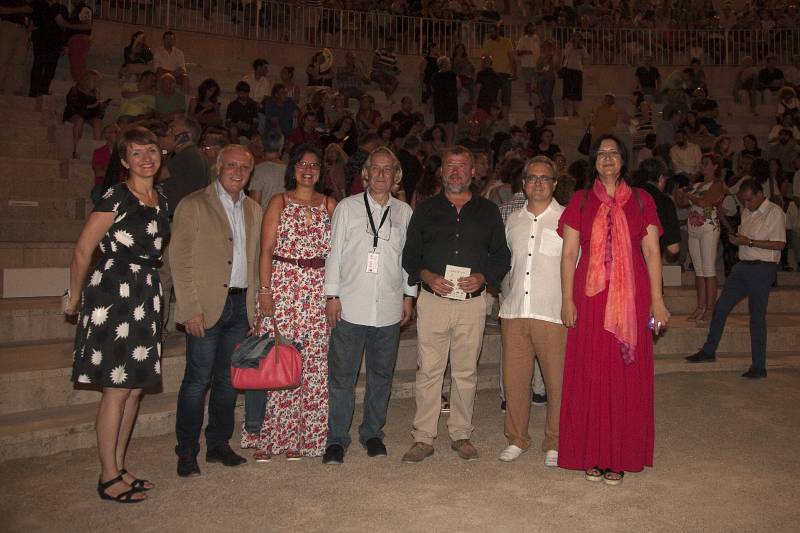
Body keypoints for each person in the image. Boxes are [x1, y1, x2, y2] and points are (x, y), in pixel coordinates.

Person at [558, 134, 670, 485]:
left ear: (624, 160)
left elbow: (652, 252)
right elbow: (568, 254)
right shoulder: (579, 201)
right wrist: (566, 299)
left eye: (614, 153)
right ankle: (592, 454)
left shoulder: (641, 200)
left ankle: (619, 454)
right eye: (601, 153)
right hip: (590, 299)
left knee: (624, 374)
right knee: (591, 372)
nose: (607, 158)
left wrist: (658, 299)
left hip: (632, 297)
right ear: (593, 161)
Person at [66, 126, 170, 502]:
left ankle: (119, 465)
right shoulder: (115, 196)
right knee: (116, 388)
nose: (147, 158)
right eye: (137, 153)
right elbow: (82, 250)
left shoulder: (161, 199)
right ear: (124, 161)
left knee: (135, 389)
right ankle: (107, 476)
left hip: (146, 292)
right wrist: (74, 297)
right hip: (114, 292)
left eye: (152, 150)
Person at [400, 146, 511, 463]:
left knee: (465, 372)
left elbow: (502, 256)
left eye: (463, 166)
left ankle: (461, 433)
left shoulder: (487, 211)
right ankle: (423, 437)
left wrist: (484, 277)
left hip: (471, 304)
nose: (456, 171)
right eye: (450, 166)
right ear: (441, 171)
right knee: (429, 371)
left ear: (473, 172)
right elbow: (410, 256)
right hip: (433, 300)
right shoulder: (426, 210)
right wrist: (427, 276)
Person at [170, 144, 262, 476]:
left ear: (250, 172)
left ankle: (219, 444)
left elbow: (254, 263)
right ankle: (186, 450)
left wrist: (255, 309)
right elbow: (179, 261)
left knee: (226, 381)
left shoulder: (254, 209)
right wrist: (189, 308)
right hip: (206, 307)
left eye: (244, 167)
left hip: (240, 307)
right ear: (218, 167)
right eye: (231, 165)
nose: (237, 172)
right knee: (197, 381)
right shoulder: (193, 204)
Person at [242, 145, 337, 460]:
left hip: (317, 292)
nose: (307, 170)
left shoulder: (330, 205)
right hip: (283, 289)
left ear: (321, 171)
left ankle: (303, 438)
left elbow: (338, 255)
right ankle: (268, 438)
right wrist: (265, 291)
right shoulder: (278, 202)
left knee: (311, 365)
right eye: (301, 164)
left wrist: (334, 295)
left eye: (314, 164)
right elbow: (266, 250)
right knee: (278, 360)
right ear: (292, 169)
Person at [322, 147, 416, 465]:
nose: (380, 175)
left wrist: (409, 295)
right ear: (365, 174)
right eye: (374, 169)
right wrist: (332, 296)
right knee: (342, 377)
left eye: (387, 170)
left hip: (389, 307)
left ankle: (372, 432)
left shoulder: (404, 212)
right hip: (350, 306)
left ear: (396, 176)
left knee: (381, 375)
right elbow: (333, 254)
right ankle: (336, 438)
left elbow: (408, 260)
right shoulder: (347, 208)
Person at [497, 155, 565, 467]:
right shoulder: (512, 220)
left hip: (552, 313)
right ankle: (517, 438)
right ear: (523, 184)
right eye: (532, 178)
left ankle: (555, 442)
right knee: (515, 381)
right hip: (514, 313)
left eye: (544, 178)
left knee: (557, 383)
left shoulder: (567, 220)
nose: (538, 184)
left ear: (555, 183)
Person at [686, 179, 786, 379]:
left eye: (749, 200)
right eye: (744, 201)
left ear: (759, 194)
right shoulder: (748, 211)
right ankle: (709, 351)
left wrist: (747, 241)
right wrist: (732, 231)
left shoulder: (774, 212)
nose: (746, 205)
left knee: (756, 317)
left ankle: (759, 366)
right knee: (720, 307)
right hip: (742, 267)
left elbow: (780, 244)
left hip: (762, 268)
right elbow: (743, 237)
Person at [675, 153, 726, 321]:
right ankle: (700, 306)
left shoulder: (718, 184)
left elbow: (705, 202)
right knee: (699, 270)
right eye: (702, 163)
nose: (702, 166)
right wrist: (679, 193)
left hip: (708, 228)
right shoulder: (697, 185)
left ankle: (711, 308)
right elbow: (682, 203)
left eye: (706, 163)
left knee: (709, 269)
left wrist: (688, 195)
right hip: (694, 229)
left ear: (715, 166)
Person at [637, 158, 681, 262]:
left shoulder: (625, 195)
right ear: (661, 178)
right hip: (648, 267)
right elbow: (673, 249)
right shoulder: (664, 202)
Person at [63, 70, 107, 159]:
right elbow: (73, 106)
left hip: (89, 115)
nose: (96, 84)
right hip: (75, 113)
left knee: (97, 122)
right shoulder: (75, 90)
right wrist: (90, 106)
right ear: (87, 80)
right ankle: (76, 149)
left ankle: (97, 149)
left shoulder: (95, 92)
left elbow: (98, 114)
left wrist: (100, 106)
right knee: (79, 121)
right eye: (94, 81)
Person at [482, 24, 516, 115]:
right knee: (493, 99)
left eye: (492, 31)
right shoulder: (487, 43)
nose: (491, 33)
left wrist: (514, 72)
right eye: (489, 32)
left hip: (505, 74)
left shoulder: (507, 41)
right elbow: (485, 58)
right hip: (493, 74)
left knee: (506, 99)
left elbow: (512, 57)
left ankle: (505, 119)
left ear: (497, 31)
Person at [0, 0, 32, 95]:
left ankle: (16, 89)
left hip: (22, 29)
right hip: (8, 25)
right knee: (3, 58)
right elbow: (1, 10)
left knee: (20, 61)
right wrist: (21, 9)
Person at [248, 130, 287, 210]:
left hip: (264, 219)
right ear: (281, 147)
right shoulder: (290, 169)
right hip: (285, 219)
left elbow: (254, 205)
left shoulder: (259, 169)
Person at [431, 56, 460, 145]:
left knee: (441, 125)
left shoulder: (434, 76)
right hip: (450, 102)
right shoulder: (453, 75)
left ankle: (441, 145)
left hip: (439, 103)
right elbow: (459, 87)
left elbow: (432, 90)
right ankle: (449, 145)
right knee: (450, 125)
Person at [560, 32, 590, 118]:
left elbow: (586, 56)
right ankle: (565, 110)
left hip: (578, 70)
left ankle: (575, 111)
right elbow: (566, 54)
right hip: (569, 70)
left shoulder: (582, 46)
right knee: (566, 91)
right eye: (575, 37)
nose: (577, 38)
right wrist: (573, 45)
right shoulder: (569, 44)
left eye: (578, 37)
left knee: (577, 92)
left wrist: (580, 46)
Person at [65, 0, 92, 82]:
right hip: (75, 39)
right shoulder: (77, 10)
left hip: (79, 39)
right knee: (75, 64)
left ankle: (81, 86)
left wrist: (69, 25)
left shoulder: (84, 9)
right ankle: (79, 84)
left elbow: (87, 26)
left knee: (78, 64)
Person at [516, 23, 541, 107]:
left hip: (536, 64)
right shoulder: (523, 39)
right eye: (530, 28)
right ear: (527, 29)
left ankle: (538, 99)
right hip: (526, 64)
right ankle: (529, 100)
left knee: (537, 83)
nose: (532, 29)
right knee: (528, 83)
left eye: (532, 27)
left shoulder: (536, 38)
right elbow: (518, 52)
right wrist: (526, 52)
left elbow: (539, 50)